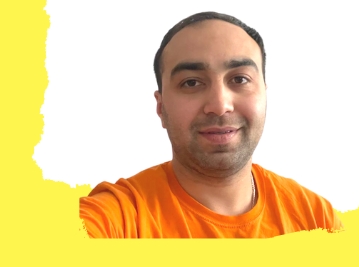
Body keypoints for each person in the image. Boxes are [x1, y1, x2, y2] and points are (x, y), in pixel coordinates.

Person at [80, 12, 344, 238]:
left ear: (265, 94)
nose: (219, 105)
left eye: (239, 79)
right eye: (191, 82)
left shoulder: (316, 219)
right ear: (161, 107)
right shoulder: (117, 218)